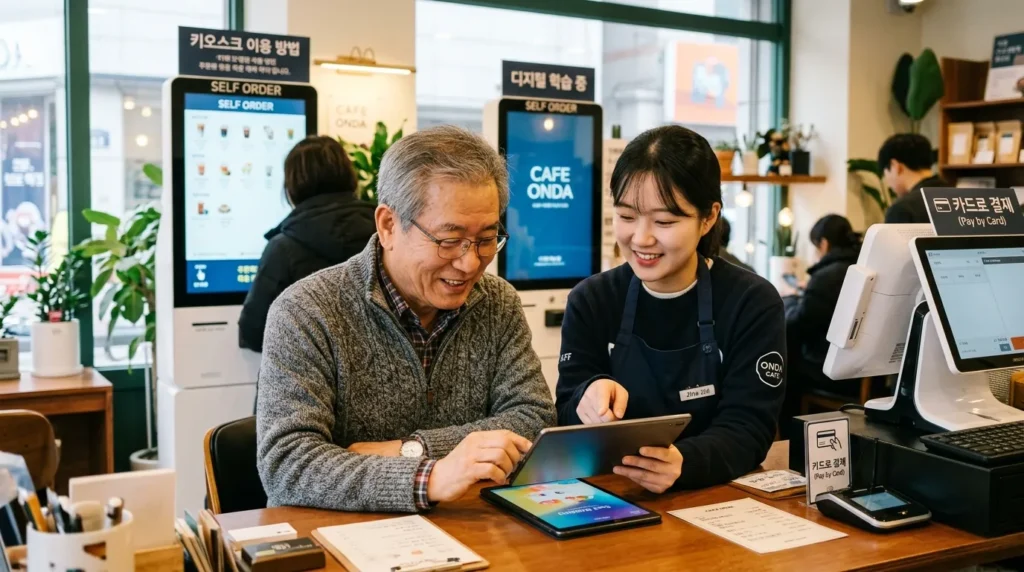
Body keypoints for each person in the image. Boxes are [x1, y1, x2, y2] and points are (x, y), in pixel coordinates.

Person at [257, 126, 556, 513]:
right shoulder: (307, 311)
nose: (470, 263)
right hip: (339, 535)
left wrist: (414, 449)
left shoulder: (497, 303)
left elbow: (533, 418)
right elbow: (288, 464)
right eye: (449, 240)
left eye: (486, 239)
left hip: (469, 526)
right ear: (388, 226)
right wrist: (430, 478)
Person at [555, 125, 786, 493]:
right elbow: (565, 410)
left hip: (714, 495)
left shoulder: (750, 302)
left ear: (708, 217)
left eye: (664, 222)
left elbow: (749, 427)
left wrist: (685, 462)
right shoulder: (592, 300)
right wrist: (586, 396)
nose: (641, 238)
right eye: (627, 217)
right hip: (611, 494)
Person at [239, 136, 376, 352]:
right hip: (381, 370)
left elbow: (255, 332)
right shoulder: (385, 234)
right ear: (350, 176)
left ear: (292, 186)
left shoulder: (283, 248)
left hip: (306, 369)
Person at [781, 215, 862, 432]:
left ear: (824, 244)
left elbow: (798, 324)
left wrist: (789, 301)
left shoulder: (827, 277)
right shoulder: (862, 267)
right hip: (861, 372)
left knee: (785, 367)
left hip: (831, 371)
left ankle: (790, 435)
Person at [879, 133, 948, 224]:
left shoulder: (902, 210)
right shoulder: (959, 197)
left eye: (885, 174)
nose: (888, 183)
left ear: (895, 166)